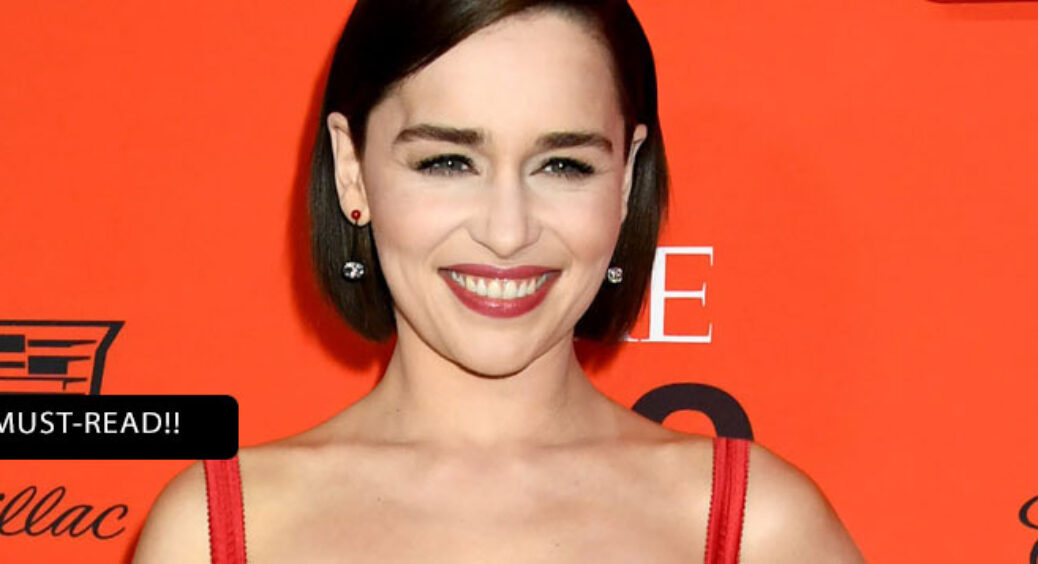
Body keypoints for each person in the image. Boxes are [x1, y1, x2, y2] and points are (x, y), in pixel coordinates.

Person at [134, 1, 864, 562]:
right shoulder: (218, 533)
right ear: (351, 169)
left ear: (626, 178)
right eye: (448, 162)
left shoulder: (757, 530)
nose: (508, 231)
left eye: (563, 165)